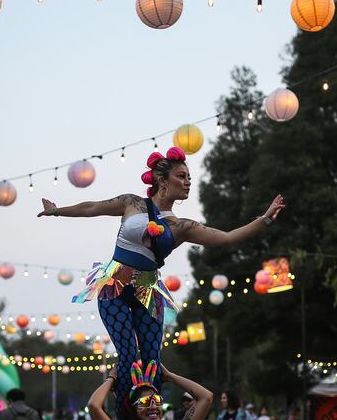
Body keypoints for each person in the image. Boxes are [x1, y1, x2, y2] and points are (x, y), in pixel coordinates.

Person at [40, 146, 285, 402]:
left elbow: (226, 238)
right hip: (115, 286)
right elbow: (93, 207)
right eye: (181, 176)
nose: (187, 181)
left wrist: (265, 219)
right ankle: (125, 417)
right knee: (127, 354)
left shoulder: (182, 226)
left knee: (152, 360)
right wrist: (57, 211)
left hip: (148, 292)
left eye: (189, 177)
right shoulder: (131, 203)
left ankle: (151, 416)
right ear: (161, 180)